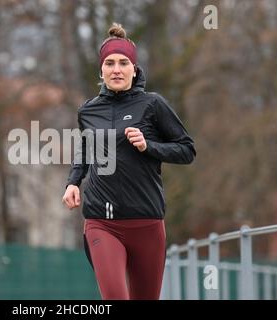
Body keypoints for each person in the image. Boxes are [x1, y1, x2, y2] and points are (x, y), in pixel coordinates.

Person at [62, 23, 196, 300]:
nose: (116, 69)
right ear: (101, 71)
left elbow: (186, 150)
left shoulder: (152, 104)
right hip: (102, 221)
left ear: (134, 69)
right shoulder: (88, 110)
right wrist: (73, 182)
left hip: (146, 221)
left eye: (124, 63)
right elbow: (86, 148)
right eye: (109, 63)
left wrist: (149, 146)